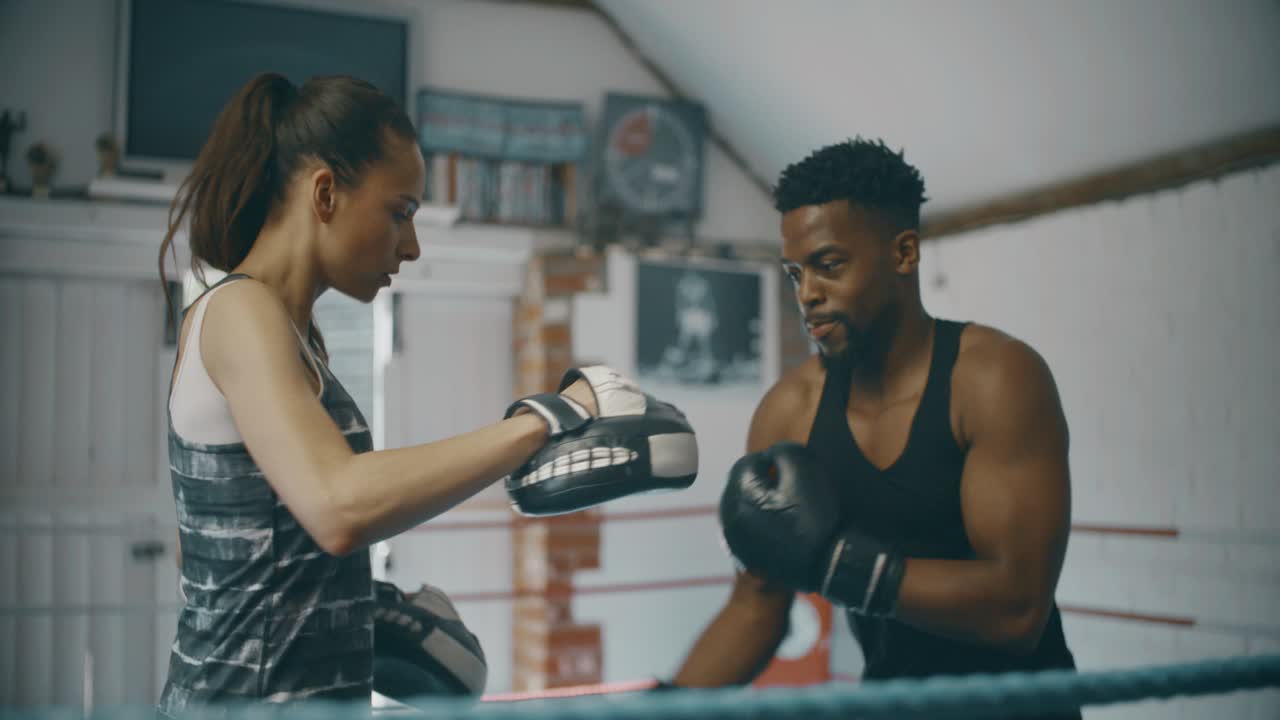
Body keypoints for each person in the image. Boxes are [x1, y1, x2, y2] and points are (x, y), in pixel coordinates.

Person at [157, 72, 694, 717]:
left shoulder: (300, 339)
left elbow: (215, 544)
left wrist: (361, 610)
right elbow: (336, 508)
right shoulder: (241, 311)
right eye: (400, 212)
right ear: (324, 193)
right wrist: (551, 417)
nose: (411, 246)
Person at [664, 138, 1079, 717]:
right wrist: (663, 707)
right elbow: (757, 607)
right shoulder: (790, 412)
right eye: (794, 273)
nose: (807, 293)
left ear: (904, 253)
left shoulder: (994, 380)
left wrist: (836, 564)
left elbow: (1016, 611)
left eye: (829, 266)